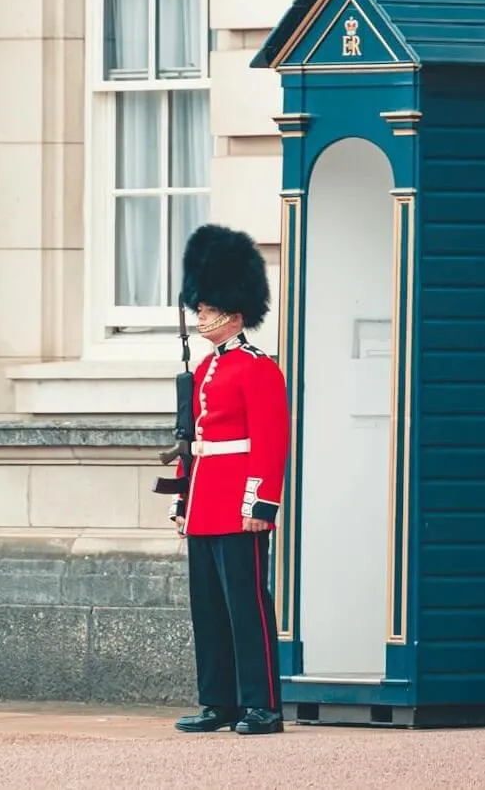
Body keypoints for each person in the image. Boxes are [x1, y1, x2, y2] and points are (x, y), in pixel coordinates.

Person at [169, 224, 290, 736]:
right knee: (210, 610)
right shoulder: (203, 369)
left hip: (238, 502)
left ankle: (261, 704)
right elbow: (191, 439)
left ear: (234, 313)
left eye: (208, 307)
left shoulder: (258, 368)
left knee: (247, 606)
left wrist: (260, 503)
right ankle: (218, 702)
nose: (200, 314)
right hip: (205, 502)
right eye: (199, 306)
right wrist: (181, 500)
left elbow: (270, 440)